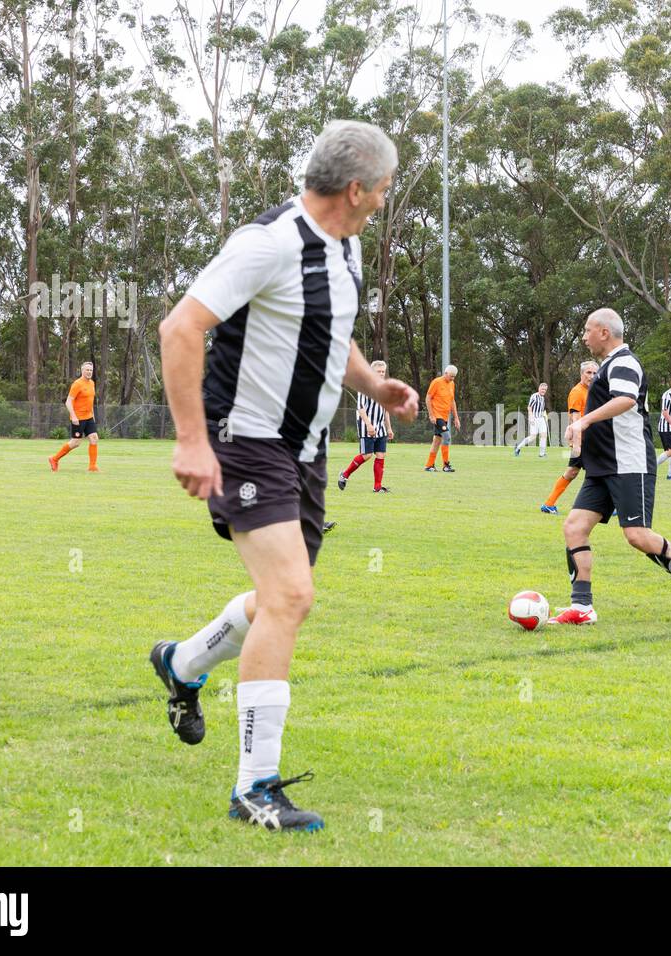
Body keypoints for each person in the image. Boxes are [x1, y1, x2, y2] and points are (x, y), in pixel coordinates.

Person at [151, 120, 418, 833]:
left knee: (279, 599)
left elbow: (331, 330)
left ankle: (181, 664)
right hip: (246, 445)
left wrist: (374, 387)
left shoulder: (346, 245)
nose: (385, 201)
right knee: (291, 595)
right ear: (356, 189)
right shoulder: (265, 244)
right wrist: (191, 442)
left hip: (304, 452)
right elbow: (180, 329)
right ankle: (253, 787)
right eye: (385, 189)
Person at [549, 308, 671, 625]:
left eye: (588, 329)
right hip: (603, 467)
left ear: (604, 332)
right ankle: (582, 606)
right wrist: (581, 436)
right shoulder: (608, 365)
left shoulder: (624, 361)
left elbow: (626, 400)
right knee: (574, 528)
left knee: (636, 535)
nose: (584, 336)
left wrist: (583, 422)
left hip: (629, 465)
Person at [541, 362, 597, 514]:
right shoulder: (577, 392)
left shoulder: (594, 390)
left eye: (594, 373)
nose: (591, 376)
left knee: (574, 472)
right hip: (584, 440)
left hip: (594, 439)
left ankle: (549, 504)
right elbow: (576, 419)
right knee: (598, 471)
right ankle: (549, 504)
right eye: (588, 373)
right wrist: (577, 444)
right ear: (581, 374)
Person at [338, 359, 395, 492]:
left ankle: (377, 487)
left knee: (381, 455)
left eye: (383, 371)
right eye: (378, 371)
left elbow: (386, 409)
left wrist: (389, 427)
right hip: (366, 426)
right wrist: (369, 425)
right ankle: (345, 474)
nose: (381, 374)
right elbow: (361, 408)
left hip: (380, 427)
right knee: (367, 455)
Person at [48, 362, 100, 472]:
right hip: (78, 418)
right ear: (82, 371)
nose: (89, 372)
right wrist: (73, 416)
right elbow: (68, 401)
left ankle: (92, 467)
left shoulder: (92, 383)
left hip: (89, 417)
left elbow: (90, 402)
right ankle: (54, 459)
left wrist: (93, 417)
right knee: (75, 442)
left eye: (91, 370)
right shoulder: (77, 384)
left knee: (94, 438)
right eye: (87, 370)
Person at [424, 365, 459, 472]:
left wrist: (456, 418)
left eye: (454, 377)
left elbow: (452, 401)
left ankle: (429, 465)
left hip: (445, 417)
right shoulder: (436, 382)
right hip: (437, 415)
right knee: (447, 437)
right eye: (451, 376)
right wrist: (431, 415)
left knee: (437, 441)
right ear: (445, 373)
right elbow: (428, 398)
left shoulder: (452, 384)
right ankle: (446, 465)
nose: (452, 379)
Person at [514, 383, 550, 458]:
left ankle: (542, 454)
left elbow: (543, 409)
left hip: (541, 419)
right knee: (533, 437)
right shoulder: (534, 396)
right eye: (542, 389)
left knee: (544, 435)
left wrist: (545, 416)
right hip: (534, 419)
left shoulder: (542, 398)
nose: (544, 391)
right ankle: (518, 447)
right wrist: (531, 417)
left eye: (545, 390)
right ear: (539, 388)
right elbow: (529, 407)